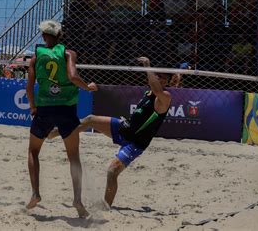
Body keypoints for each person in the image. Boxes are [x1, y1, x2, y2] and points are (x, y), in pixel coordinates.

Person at [49, 56, 172, 207]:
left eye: (163, 78)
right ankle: (55, 132)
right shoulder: (148, 93)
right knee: (89, 119)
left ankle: (105, 206)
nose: (160, 79)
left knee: (112, 172)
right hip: (124, 128)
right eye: (158, 76)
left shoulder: (165, 97)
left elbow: (157, 88)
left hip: (135, 143)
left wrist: (148, 66)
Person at [26, 19, 98, 218]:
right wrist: (88, 87)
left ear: (43, 36)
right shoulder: (68, 53)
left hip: (45, 109)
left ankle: (35, 193)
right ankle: (77, 199)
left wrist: (33, 106)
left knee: (33, 151)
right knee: (73, 156)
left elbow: (29, 87)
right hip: (67, 108)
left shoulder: (35, 57)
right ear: (60, 36)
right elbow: (73, 77)